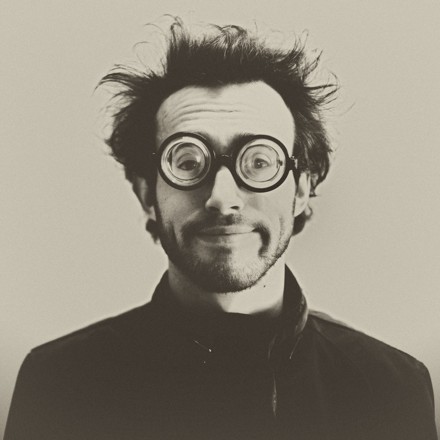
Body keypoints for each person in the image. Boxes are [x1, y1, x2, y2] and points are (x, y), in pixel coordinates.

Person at [5, 17, 437, 440]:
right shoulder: (59, 384)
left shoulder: (390, 391)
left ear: (301, 189)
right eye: (187, 162)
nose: (222, 198)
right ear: (147, 193)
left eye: (259, 161)